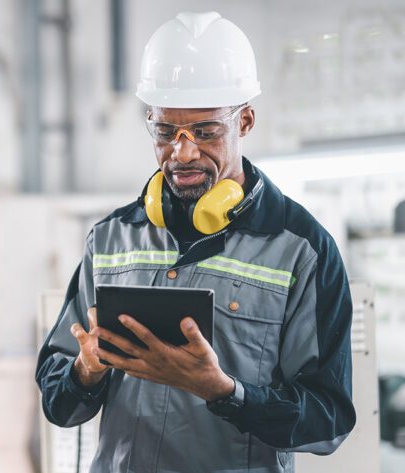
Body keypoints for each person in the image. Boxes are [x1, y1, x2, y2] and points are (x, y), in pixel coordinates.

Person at [35, 11, 356, 473]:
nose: (182, 153)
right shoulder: (110, 238)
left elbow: (329, 422)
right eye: (165, 133)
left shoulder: (302, 250)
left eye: (205, 133)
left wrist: (225, 393)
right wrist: (86, 371)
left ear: (244, 121)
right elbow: (58, 403)